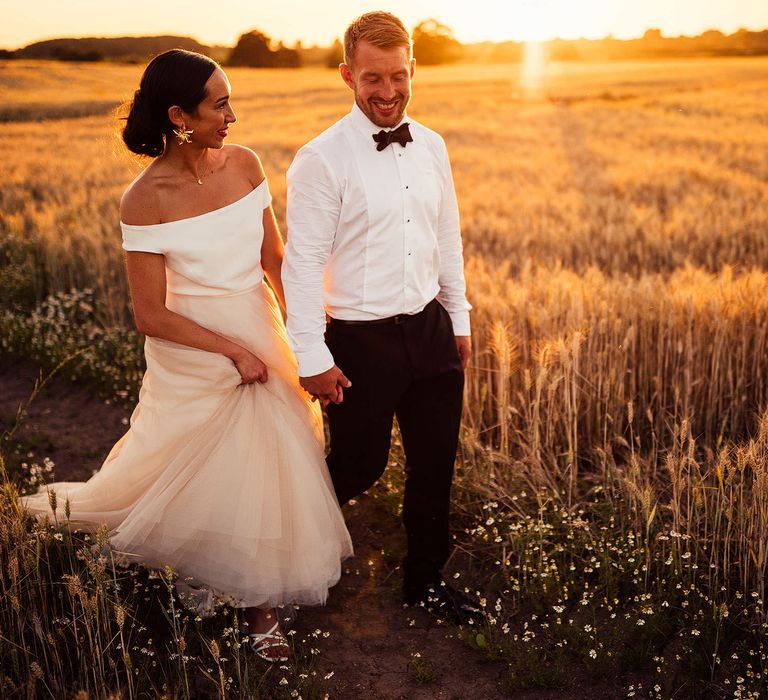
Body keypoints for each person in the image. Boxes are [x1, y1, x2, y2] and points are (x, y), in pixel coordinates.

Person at [23, 49, 352, 661]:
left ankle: (260, 593)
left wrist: (306, 341)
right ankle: (257, 610)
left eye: (229, 99)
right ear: (179, 115)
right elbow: (150, 314)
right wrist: (231, 352)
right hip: (195, 343)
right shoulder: (144, 199)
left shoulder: (247, 165)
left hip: (259, 323)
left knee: (272, 461)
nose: (233, 114)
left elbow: (273, 262)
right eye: (219, 103)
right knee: (207, 464)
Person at [282, 12, 477, 622]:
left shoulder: (434, 146)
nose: (387, 91)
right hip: (359, 342)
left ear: (413, 70)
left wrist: (459, 316)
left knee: (435, 465)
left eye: (398, 76)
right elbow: (302, 264)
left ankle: (425, 582)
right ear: (347, 75)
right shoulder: (320, 160)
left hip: (430, 329)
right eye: (372, 78)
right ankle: (287, 557)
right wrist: (312, 356)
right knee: (358, 466)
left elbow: (448, 236)